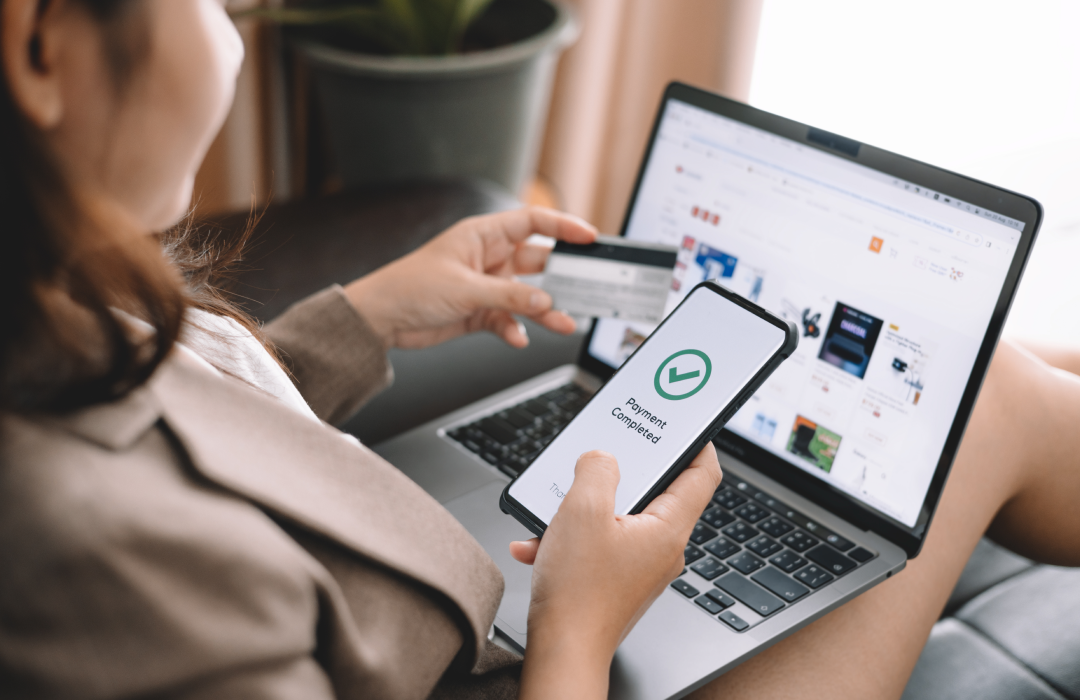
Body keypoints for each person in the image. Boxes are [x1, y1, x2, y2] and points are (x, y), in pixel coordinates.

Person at [0, 1, 1076, 699]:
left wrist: (368, 317)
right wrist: (579, 627)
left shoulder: (38, 300)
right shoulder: (83, 556)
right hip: (539, 664)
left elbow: (184, 426)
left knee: (989, 374)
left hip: (480, 603)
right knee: (988, 398)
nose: (233, 22)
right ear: (42, 45)